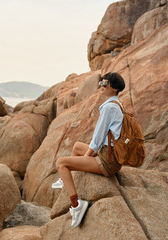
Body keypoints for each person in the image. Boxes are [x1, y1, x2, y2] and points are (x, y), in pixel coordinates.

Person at [53, 72, 126, 227]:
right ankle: (67, 178)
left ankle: (76, 205)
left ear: (114, 88)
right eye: (101, 83)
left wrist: (83, 159)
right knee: (77, 146)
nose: (101, 86)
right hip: (112, 155)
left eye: (104, 83)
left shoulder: (109, 108)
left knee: (61, 163)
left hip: (108, 161)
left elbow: (97, 141)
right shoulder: (117, 104)